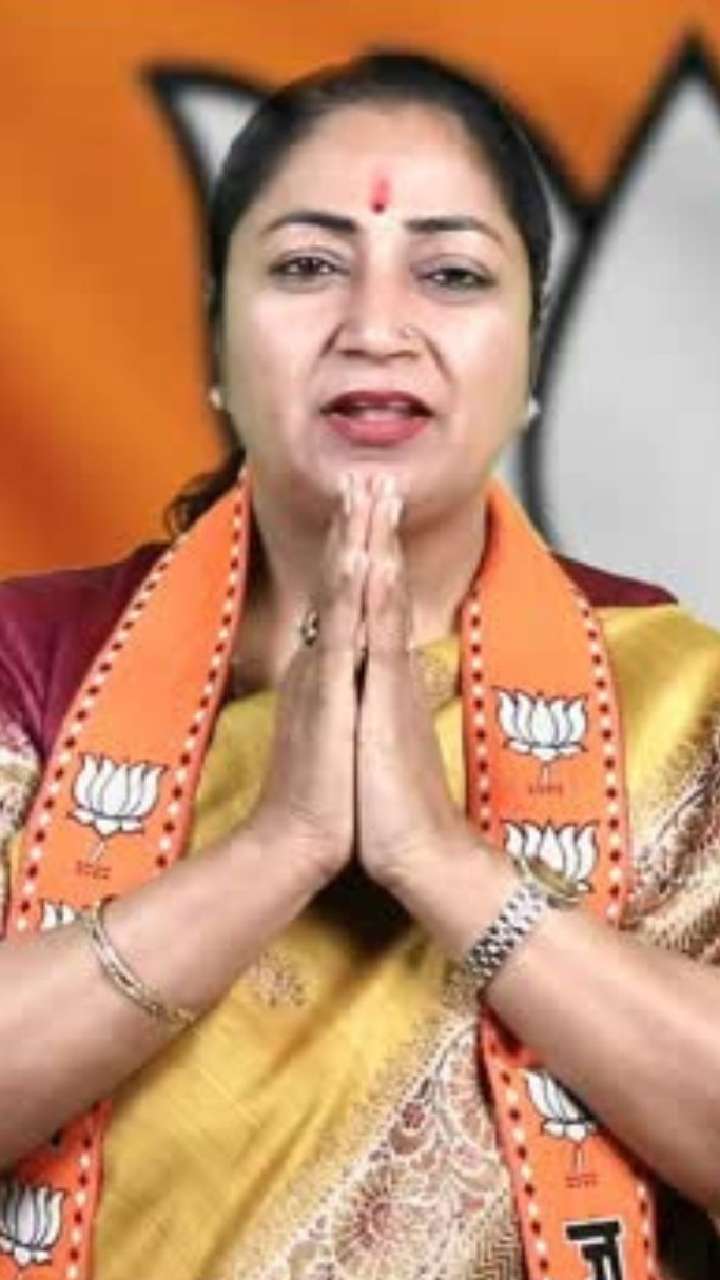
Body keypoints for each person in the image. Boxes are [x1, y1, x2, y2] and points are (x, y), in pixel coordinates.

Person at [0, 49, 719, 1280]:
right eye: (306, 266)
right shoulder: (29, 667)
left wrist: (439, 861)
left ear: (531, 356)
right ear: (216, 340)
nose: (376, 327)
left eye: (451, 273)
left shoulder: (683, 703)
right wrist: (276, 847)